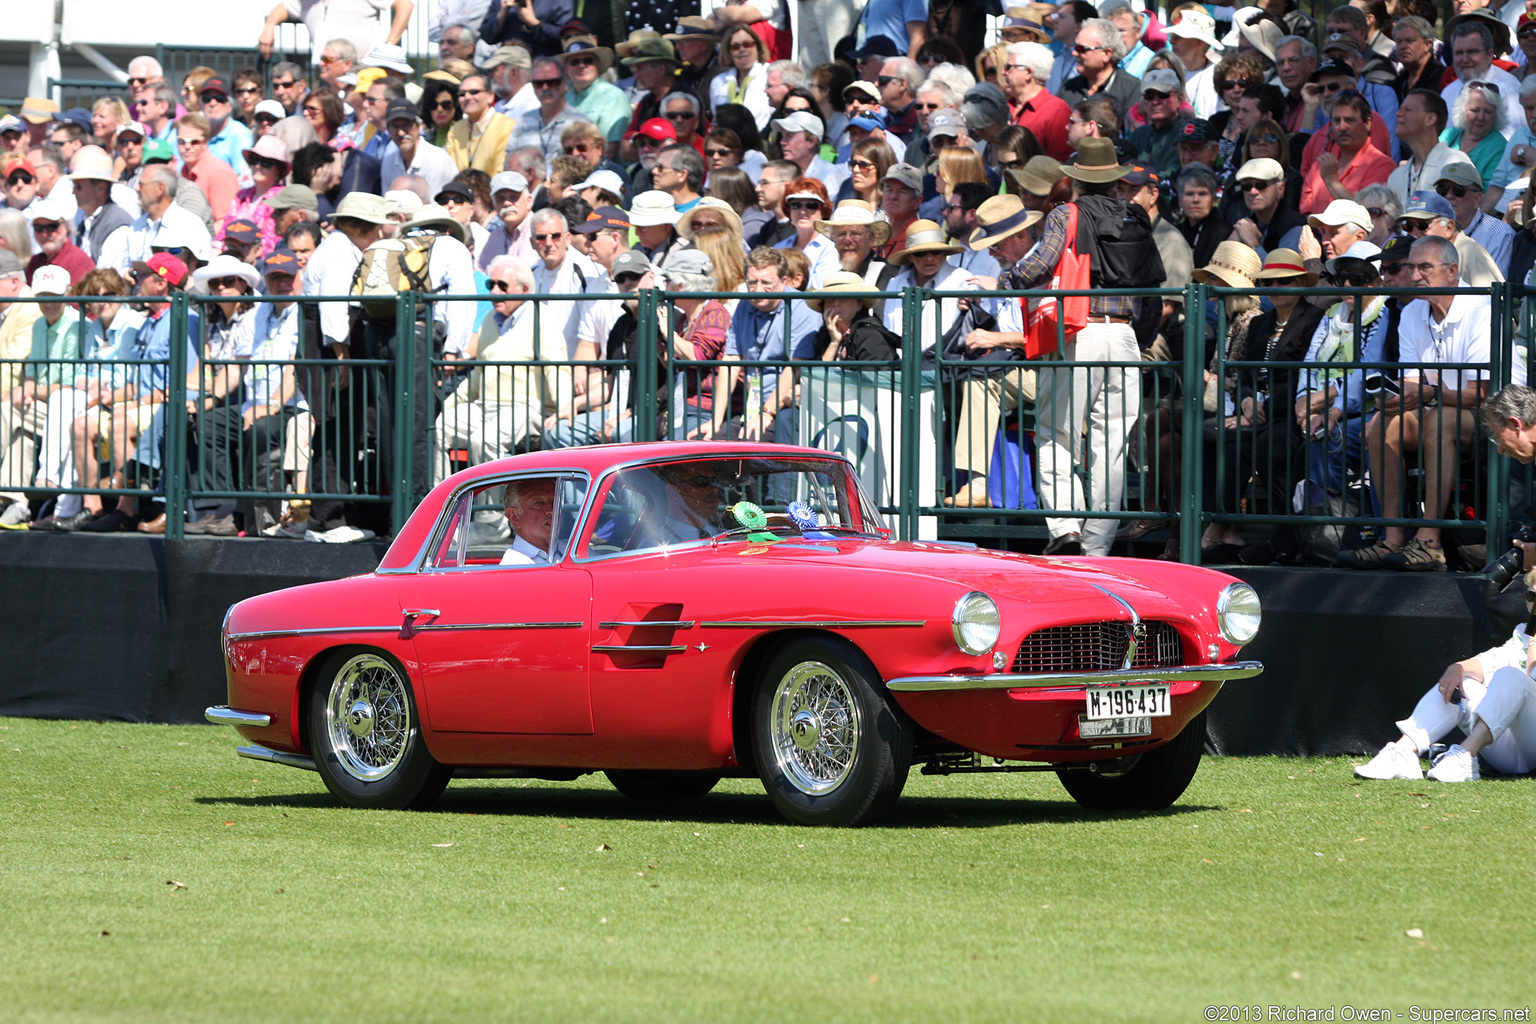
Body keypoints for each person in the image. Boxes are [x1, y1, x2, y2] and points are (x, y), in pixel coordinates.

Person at [995, 138, 1162, 556]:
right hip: (1123, 336)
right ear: (1113, 179)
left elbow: (1041, 263)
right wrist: (1137, 340)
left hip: (1078, 332)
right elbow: (1154, 292)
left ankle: (1065, 528)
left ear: (1076, 179)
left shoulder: (1065, 213)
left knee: (1056, 433)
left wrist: (1004, 282)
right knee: (1111, 446)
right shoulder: (1137, 217)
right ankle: (1097, 546)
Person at [1352, 234, 1514, 571]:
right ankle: (1392, 538)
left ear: (1453, 270)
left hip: (1498, 418)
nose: (1413, 276)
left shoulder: (1481, 308)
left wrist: (1430, 394)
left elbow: (1485, 395)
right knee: (1382, 425)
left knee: (1439, 420)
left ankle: (1429, 541)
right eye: (1410, 268)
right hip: (1442, 409)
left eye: (1424, 267)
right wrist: (1391, 400)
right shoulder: (1412, 315)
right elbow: (1413, 386)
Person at [1353, 501, 1536, 781]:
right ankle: (1403, 753)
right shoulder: (1525, 633)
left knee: (1511, 677)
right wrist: (1458, 668)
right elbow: (1487, 662)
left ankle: (1465, 756)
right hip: (1515, 754)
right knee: (1461, 680)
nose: (1533, 604)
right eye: (1532, 597)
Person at [436, 256, 572, 477]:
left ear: (525, 289)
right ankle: (442, 507)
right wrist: (450, 404)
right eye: (491, 285)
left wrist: (565, 407)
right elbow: (479, 373)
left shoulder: (542, 317)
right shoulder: (490, 318)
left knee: (483, 441)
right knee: (439, 430)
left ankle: (490, 512)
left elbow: (556, 368)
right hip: (486, 405)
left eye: (502, 286)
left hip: (527, 407)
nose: (494, 292)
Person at [710, 246, 819, 442]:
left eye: (766, 282)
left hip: (787, 407)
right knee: (713, 440)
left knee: (754, 442)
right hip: (751, 406)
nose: (758, 289)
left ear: (783, 281)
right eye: (752, 282)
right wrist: (715, 420)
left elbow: (794, 367)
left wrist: (767, 413)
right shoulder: (745, 304)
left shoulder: (803, 309)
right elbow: (731, 361)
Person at [499, 476, 558, 564]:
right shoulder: (514, 564)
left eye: (556, 501)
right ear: (515, 517)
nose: (552, 510)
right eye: (538, 503)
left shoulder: (574, 547)